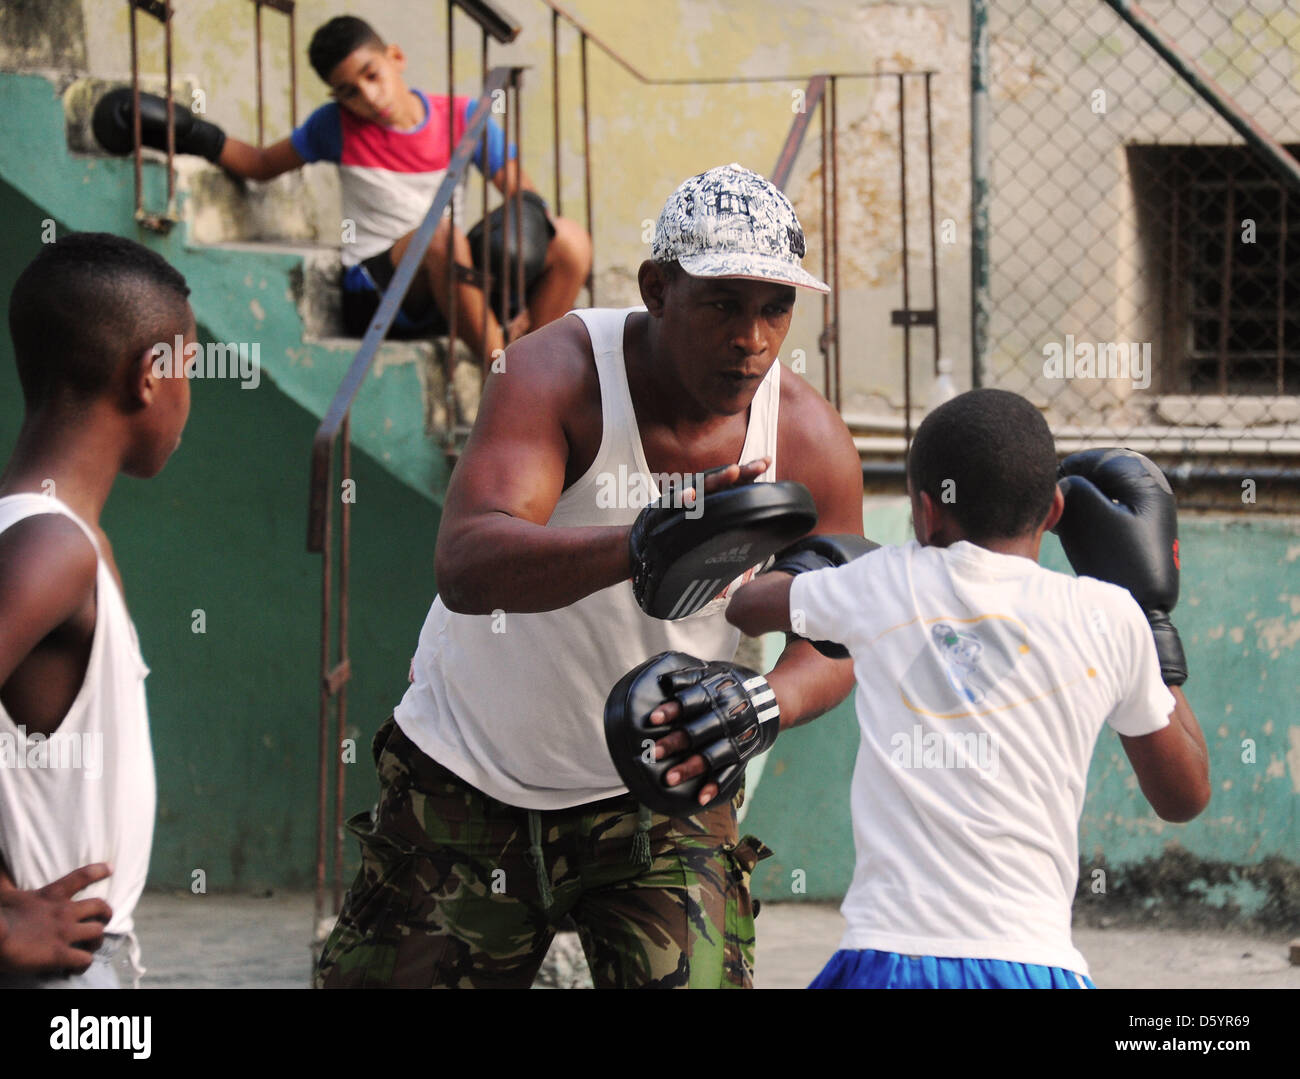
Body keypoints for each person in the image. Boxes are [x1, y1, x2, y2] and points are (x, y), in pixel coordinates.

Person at [314, 163, 866, 989]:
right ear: (656, 288)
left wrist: (762, 703)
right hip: (471, 770)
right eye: (722, 302)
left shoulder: (809, 438)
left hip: (665, 790)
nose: (751, 338)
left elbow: (840, 629)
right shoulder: (555, 371)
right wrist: (640, 543)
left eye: (774, 307)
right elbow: (467, 561)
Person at [725, 389, 1212, 989]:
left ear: (927, 513)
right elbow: (1184, 796)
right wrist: (1152, 619)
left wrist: (823, 566)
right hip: (1036, 963)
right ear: (1056, 510)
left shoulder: (882, 582)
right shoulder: (1110, 616)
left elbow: (747, 608)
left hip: (890, 959)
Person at [92, 14, 592, 360]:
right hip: (379, 291)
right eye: (349, 91)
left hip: (451, 282)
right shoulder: (334, 125)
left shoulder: (463, 117)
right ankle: (501, 375)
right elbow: (263, 164)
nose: (368, 97)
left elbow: (527, 204)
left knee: (567, 239)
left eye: (372, 75)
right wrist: (182, 129)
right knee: (439, 234)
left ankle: (532, 363)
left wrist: (517, 278)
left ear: (395, 58)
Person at [0, 232, 194, 987]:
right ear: (150, 375)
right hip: (61, 971)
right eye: (189, 368)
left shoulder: (56, 536)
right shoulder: (53, 548)